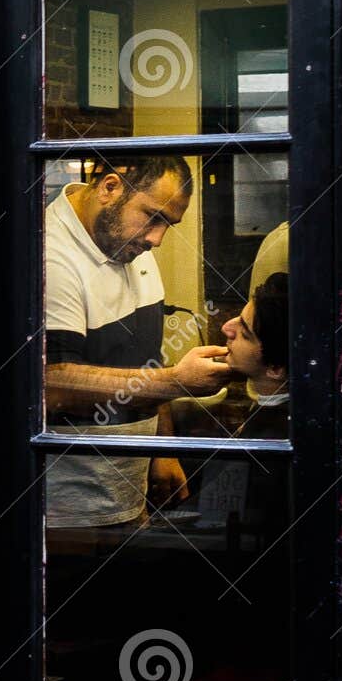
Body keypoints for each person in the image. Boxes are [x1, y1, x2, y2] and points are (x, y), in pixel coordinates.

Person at [44, 157, 236, 530]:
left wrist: (162, 451)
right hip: (71, 512)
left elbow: (146, 363)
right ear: (110, 187)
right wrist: (178, 382)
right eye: (153, 217)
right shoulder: (52, 255)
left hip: (131, 492)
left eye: (169, 224)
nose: (157, 239)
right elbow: (52, 384)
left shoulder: (131, 246)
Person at [222, 272, 290, 438]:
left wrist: (172, 385)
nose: (226, 328)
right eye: (239, 317)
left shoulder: (272, 439)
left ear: (275, 368)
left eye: (244, 333)